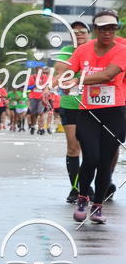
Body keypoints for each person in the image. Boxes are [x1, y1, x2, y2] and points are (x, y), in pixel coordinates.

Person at [56, 10, 126, 224]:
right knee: (91, 157)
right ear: (95, 29)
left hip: (115, 112)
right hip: (88, 112)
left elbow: (108, 74)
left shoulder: (122, 50)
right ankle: (83, 197)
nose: (108, 32)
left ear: (116, 29)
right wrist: (64, 82)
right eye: (103, 28)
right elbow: (67, 72)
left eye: (112, 28)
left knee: (105, 160)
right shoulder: (83, 50)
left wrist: (78, 81)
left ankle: (97, 206)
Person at [54, 21, 90, 202]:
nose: (78, 34)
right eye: (74, 32)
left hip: (93, 106)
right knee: (73, 147)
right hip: (70, 105)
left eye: (82, 31)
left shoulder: (95, 49)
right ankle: (76, 189)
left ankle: (95, 185)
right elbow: (61, 72)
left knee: (91, 151)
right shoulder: (66, 51)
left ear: (89, 33)